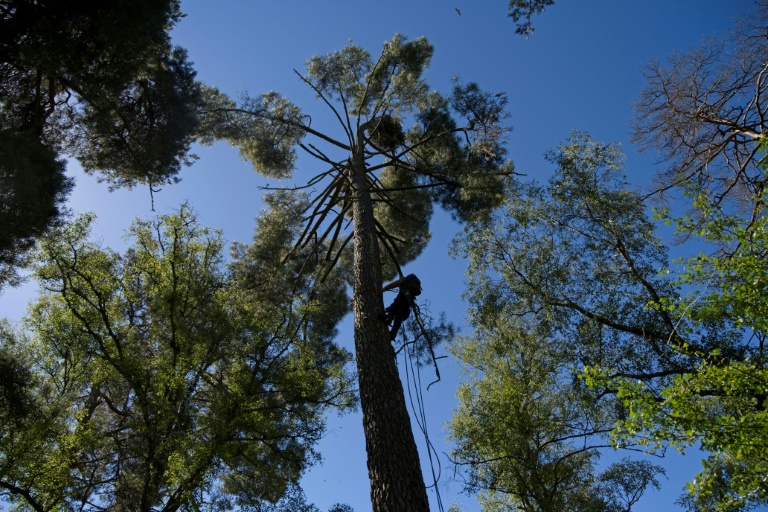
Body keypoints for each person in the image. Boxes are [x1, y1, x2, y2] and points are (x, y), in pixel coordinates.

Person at [381, 274, 421, 341]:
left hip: (402, 299)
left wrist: (385, 288)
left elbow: (396, 283)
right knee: (399, 318)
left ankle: (389, 318)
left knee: (394, 307)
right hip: (407, 307)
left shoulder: (404, 280)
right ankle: (393, 333)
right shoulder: (413, 290)